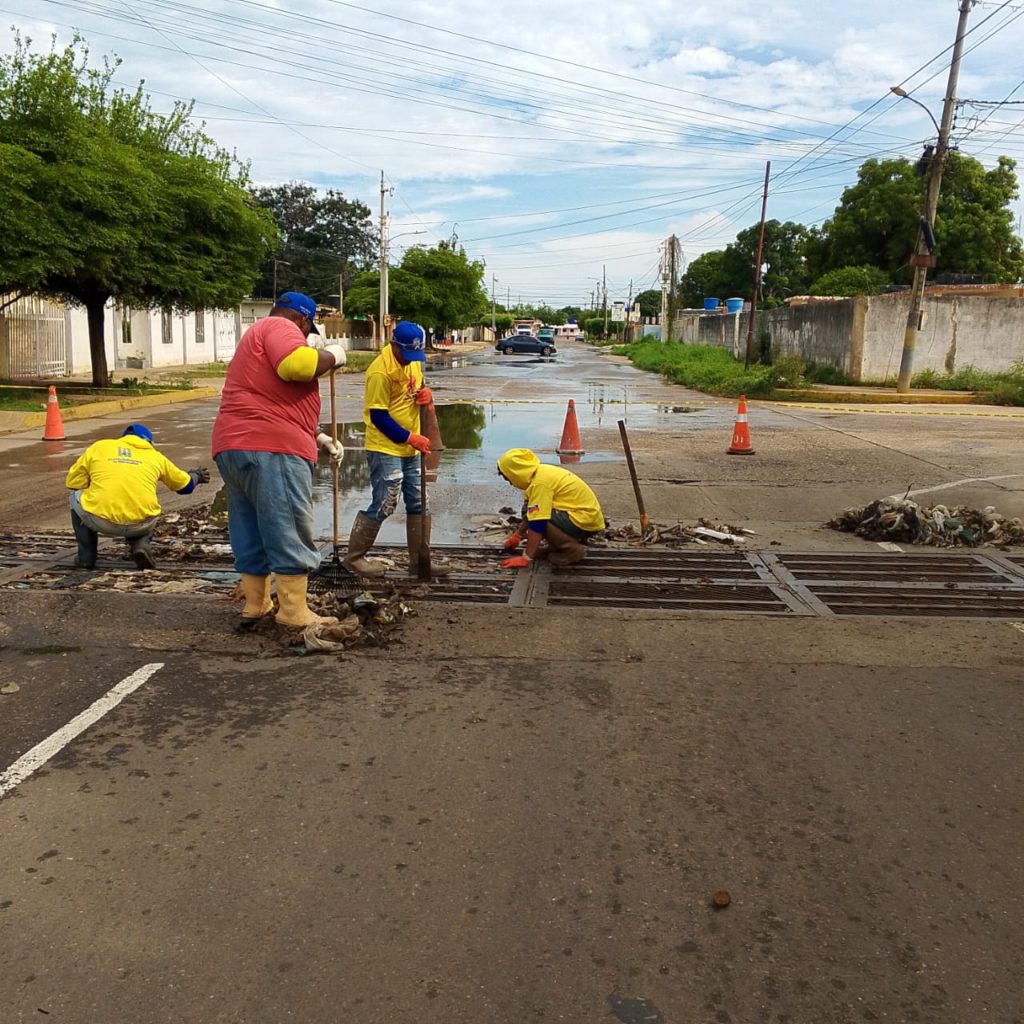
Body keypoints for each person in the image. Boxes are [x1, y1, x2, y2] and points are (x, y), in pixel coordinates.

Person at [211, 291, 347, 629]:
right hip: (272, 447)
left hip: (235, 446)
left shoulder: (254, 338)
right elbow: (297, 366)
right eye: (308, 331)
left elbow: (269, 396)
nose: (306, 337)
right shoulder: (280, 327)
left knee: (250, 526)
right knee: (288, 525)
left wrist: (319, 437)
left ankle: (256, 603)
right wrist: (333, 355)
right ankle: (292, 611)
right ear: (303, 320)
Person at [343, 320, 449, 577]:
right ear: (393, 345)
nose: (410, 359)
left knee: (419, 502)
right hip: (385, 447)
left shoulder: (413, 362)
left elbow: (418, 388)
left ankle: (420, 561)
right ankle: (354, 558)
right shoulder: (380, 372)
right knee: (386, 502)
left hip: (411, 447)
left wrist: (426, 394)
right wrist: (410, 437)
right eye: (406, 353)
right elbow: (379, 417)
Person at [65, 423, 209, 570]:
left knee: (74, 495)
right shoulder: (156, 456)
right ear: (149, 442)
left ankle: (86, 556)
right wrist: (196, 476)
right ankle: (141, 543)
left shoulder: (100, 447)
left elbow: (73, 482)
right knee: (145, 505)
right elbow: (185, 487)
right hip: (142, 525)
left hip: (99, 521)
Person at [496, 448, 606, 567]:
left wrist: (526, 558)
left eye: (509, 478)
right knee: (531, 509)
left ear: (516, 473)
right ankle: (556, 547)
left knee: (539, 517)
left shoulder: (540, 484)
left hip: (585, 521)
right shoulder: (540, 473)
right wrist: (517, 535)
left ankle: (571, 551)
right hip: (582, 517)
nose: (510, 483)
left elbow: (537, 522)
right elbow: (530, 511)